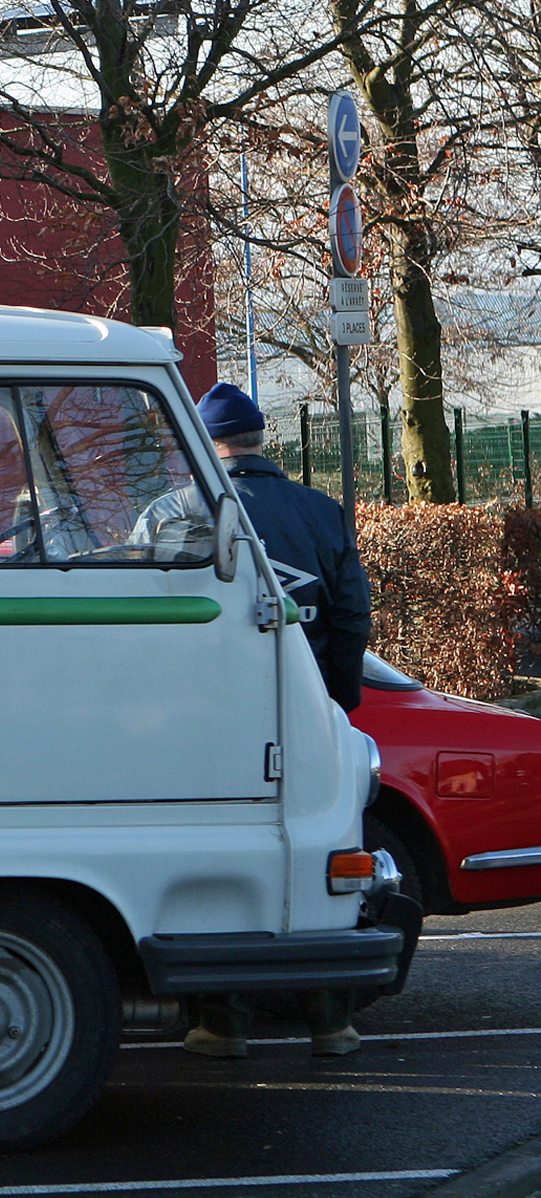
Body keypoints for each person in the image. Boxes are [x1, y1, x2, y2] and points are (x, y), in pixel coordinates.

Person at [184, 383, 374, 1059]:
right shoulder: (323, 513)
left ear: (209, 444)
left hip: (211, 725)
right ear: (264, 440)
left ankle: (224, 1022)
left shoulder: (183, 510)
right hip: (307, 716)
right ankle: (332, 1022)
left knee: (223, 864)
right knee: (322, 852)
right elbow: (352, 616)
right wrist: (334, 701)